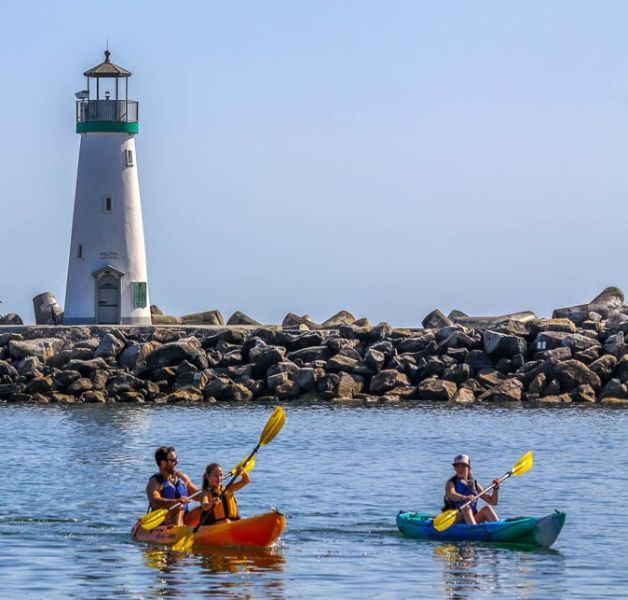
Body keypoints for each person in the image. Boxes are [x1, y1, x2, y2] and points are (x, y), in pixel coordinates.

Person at [146, 446, 200, 526]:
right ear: (163, 463)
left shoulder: (182, 478)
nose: (177, 462)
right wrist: (176, 501)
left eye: (176, 459)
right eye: (173, 460)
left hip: (185, 518)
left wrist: (211, 492)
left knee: (205, 508)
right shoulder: (155, 482)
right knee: (178, 507)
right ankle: (179, 531)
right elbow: (155, 501)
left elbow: (198, 495)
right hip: (166, 522)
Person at [443, 454, 500, 525]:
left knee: (487, 508)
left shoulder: (475, 484)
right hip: (454, 518)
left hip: (471, 518)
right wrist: (465, 498)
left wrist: (496, 489)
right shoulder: (451, 483)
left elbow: (493, 502)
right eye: (457, 466)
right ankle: (475, 531)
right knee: (466, 507)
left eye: (463, 466)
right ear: (454, 468)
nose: (460, 469)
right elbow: (451, 494)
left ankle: (500, 528)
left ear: (468, 468)